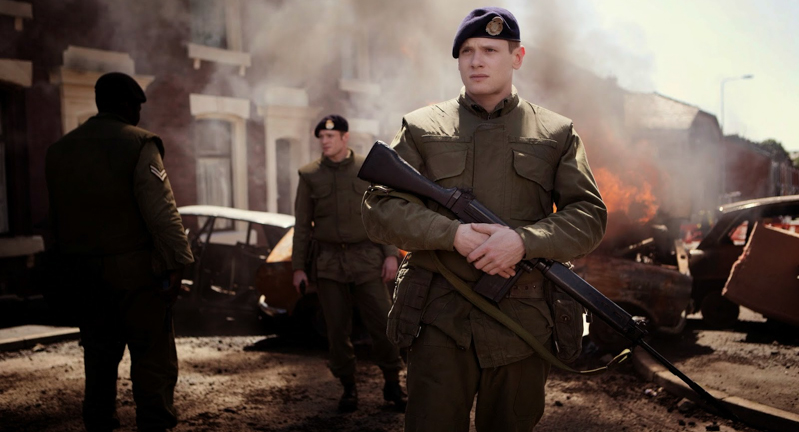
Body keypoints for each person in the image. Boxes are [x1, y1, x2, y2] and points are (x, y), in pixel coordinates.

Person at [361, 7, 607, 432]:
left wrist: (524, 242)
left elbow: (588, 216)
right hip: (438, 319)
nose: (476, 61)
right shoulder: (421, 127)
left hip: (522, 322)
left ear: (517, 57)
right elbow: (379, 208)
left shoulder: (556, 132)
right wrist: (452, 234)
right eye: (467, 51)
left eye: (490, 50)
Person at [45, 72, 194, 432]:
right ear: (127, 106)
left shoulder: (60, 150)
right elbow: (161, 211)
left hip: (84, 277)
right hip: (136, 277)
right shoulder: (140, 143)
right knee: (152, 361)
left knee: (98, 361)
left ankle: (99, 424)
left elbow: (56, 220)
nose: (139, 114)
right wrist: (177, 263)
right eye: (137, 107)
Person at [291, 114, 406, 412]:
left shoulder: (365, 169)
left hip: (366, 258)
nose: (325, 141)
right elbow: (302, 226)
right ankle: (348, 387)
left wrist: (390, 254)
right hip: (328, 262)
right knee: (336, 329)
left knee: (383, 323)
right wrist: (298, 267)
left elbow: (381, 214)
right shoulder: (309, 175)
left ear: (345, 137)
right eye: (321, 137)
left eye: (330, 136)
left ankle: (392, 383)